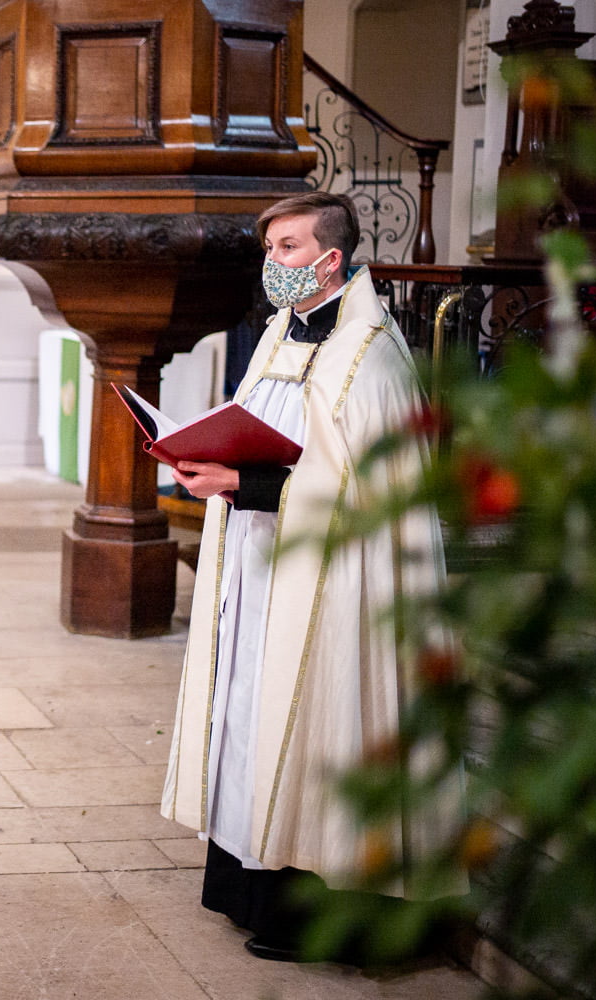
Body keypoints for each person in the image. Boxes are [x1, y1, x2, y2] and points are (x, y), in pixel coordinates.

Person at [159, 192, 459, 962]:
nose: (274, 265)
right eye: (270, 249)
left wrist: (237, 482)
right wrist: (212, 463)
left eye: (288, 249)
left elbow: (365, 491)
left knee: (318, 721)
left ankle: (321, 916)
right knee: (255, 721)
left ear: (333, 259)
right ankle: (249, 886)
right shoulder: (279, 335)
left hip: (336, 582)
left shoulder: (371, 354)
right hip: (262, 569)